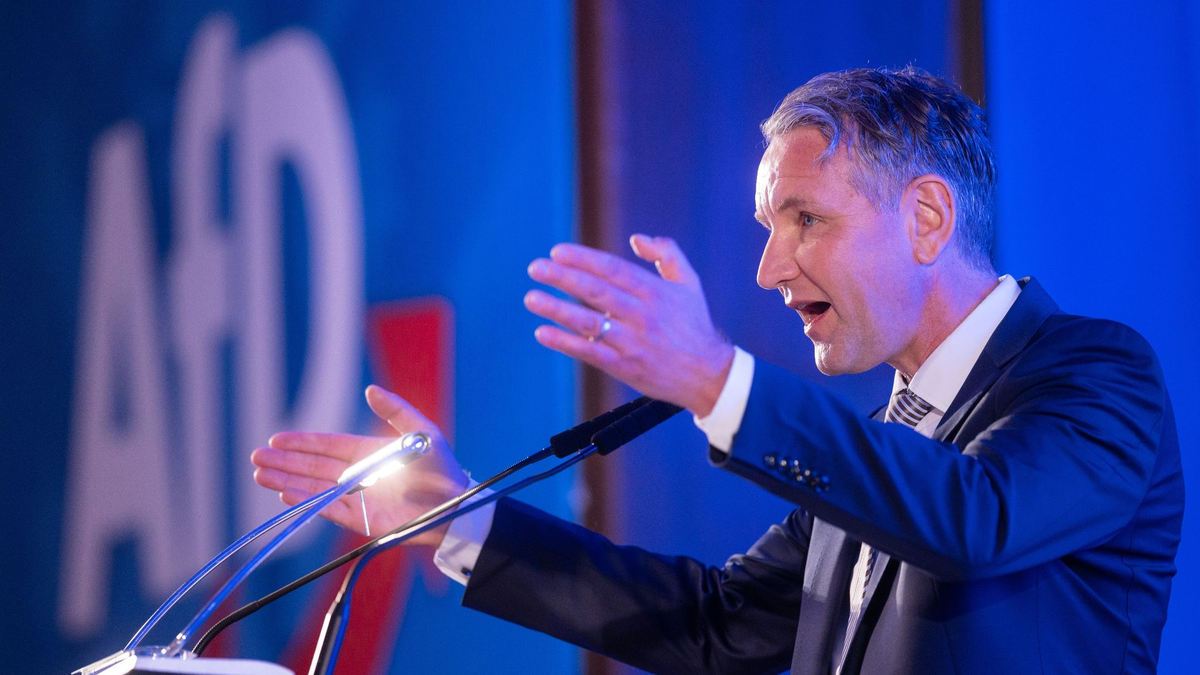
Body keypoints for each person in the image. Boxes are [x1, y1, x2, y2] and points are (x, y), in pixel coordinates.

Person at [251, 67, 1184, 674]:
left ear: (928, 219)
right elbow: (714, 623)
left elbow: (977, 517)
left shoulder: (1096, 376)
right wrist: (459, 521)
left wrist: (715, 380)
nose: (770, 268)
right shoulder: (882, 449)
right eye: (768, 227)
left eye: (806, 219)